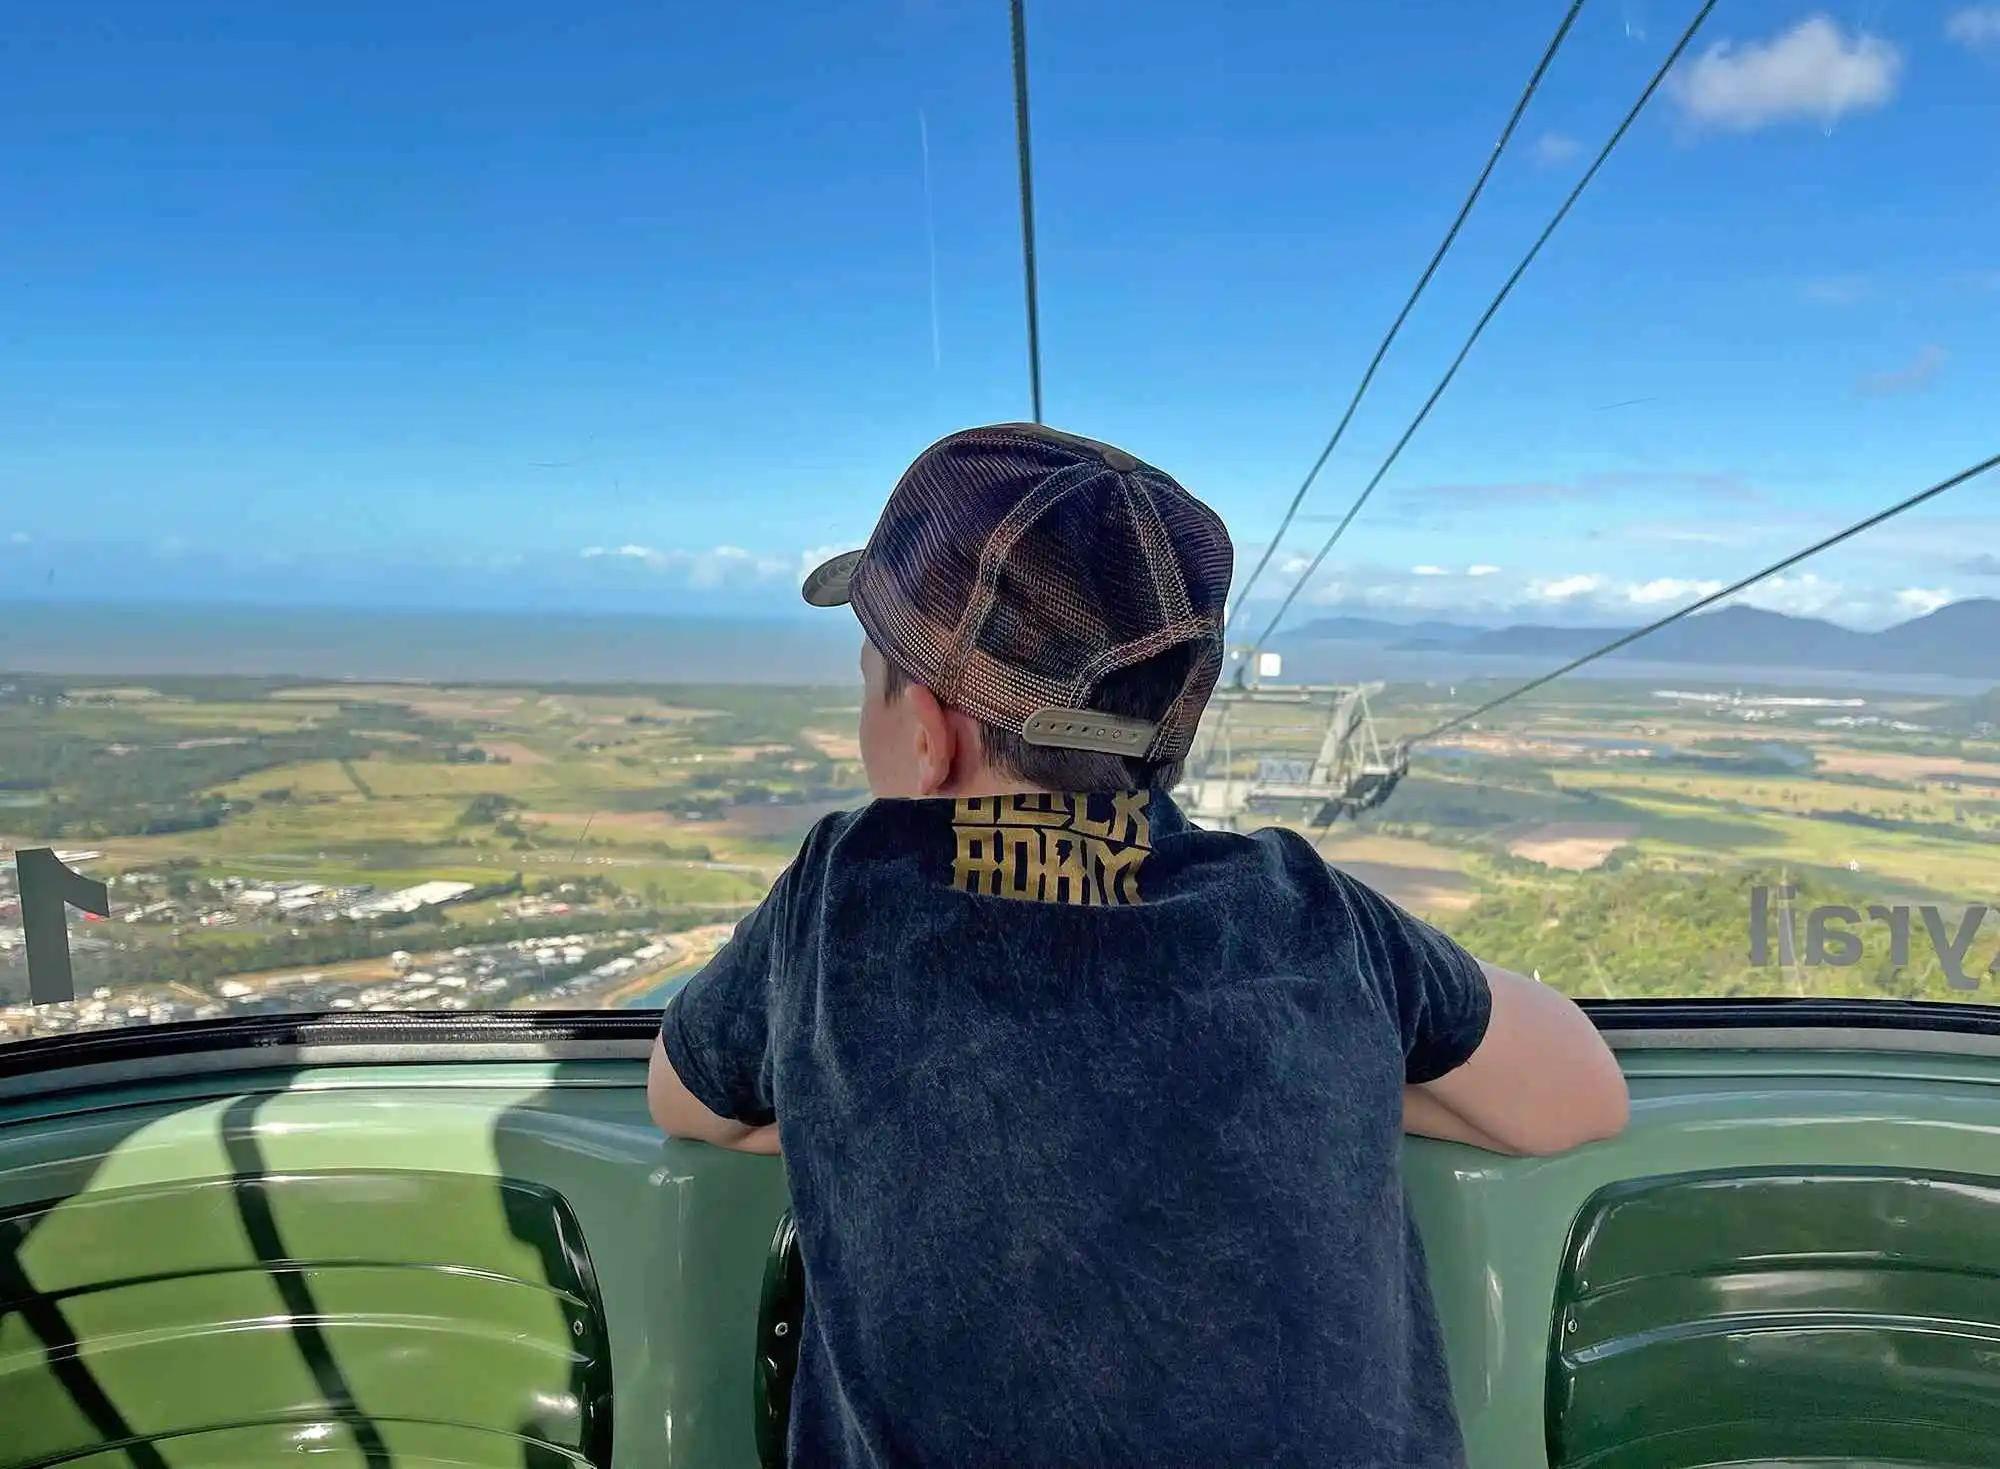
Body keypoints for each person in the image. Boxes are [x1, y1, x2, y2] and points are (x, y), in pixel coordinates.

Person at [647, 423, 1628, 1467]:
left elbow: (684, 1097)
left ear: (926, 737)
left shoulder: (841, 896)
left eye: (866, 678)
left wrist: (856, 1099)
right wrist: (1303, 1064)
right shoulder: (1302, 912)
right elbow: (1578, 1096)